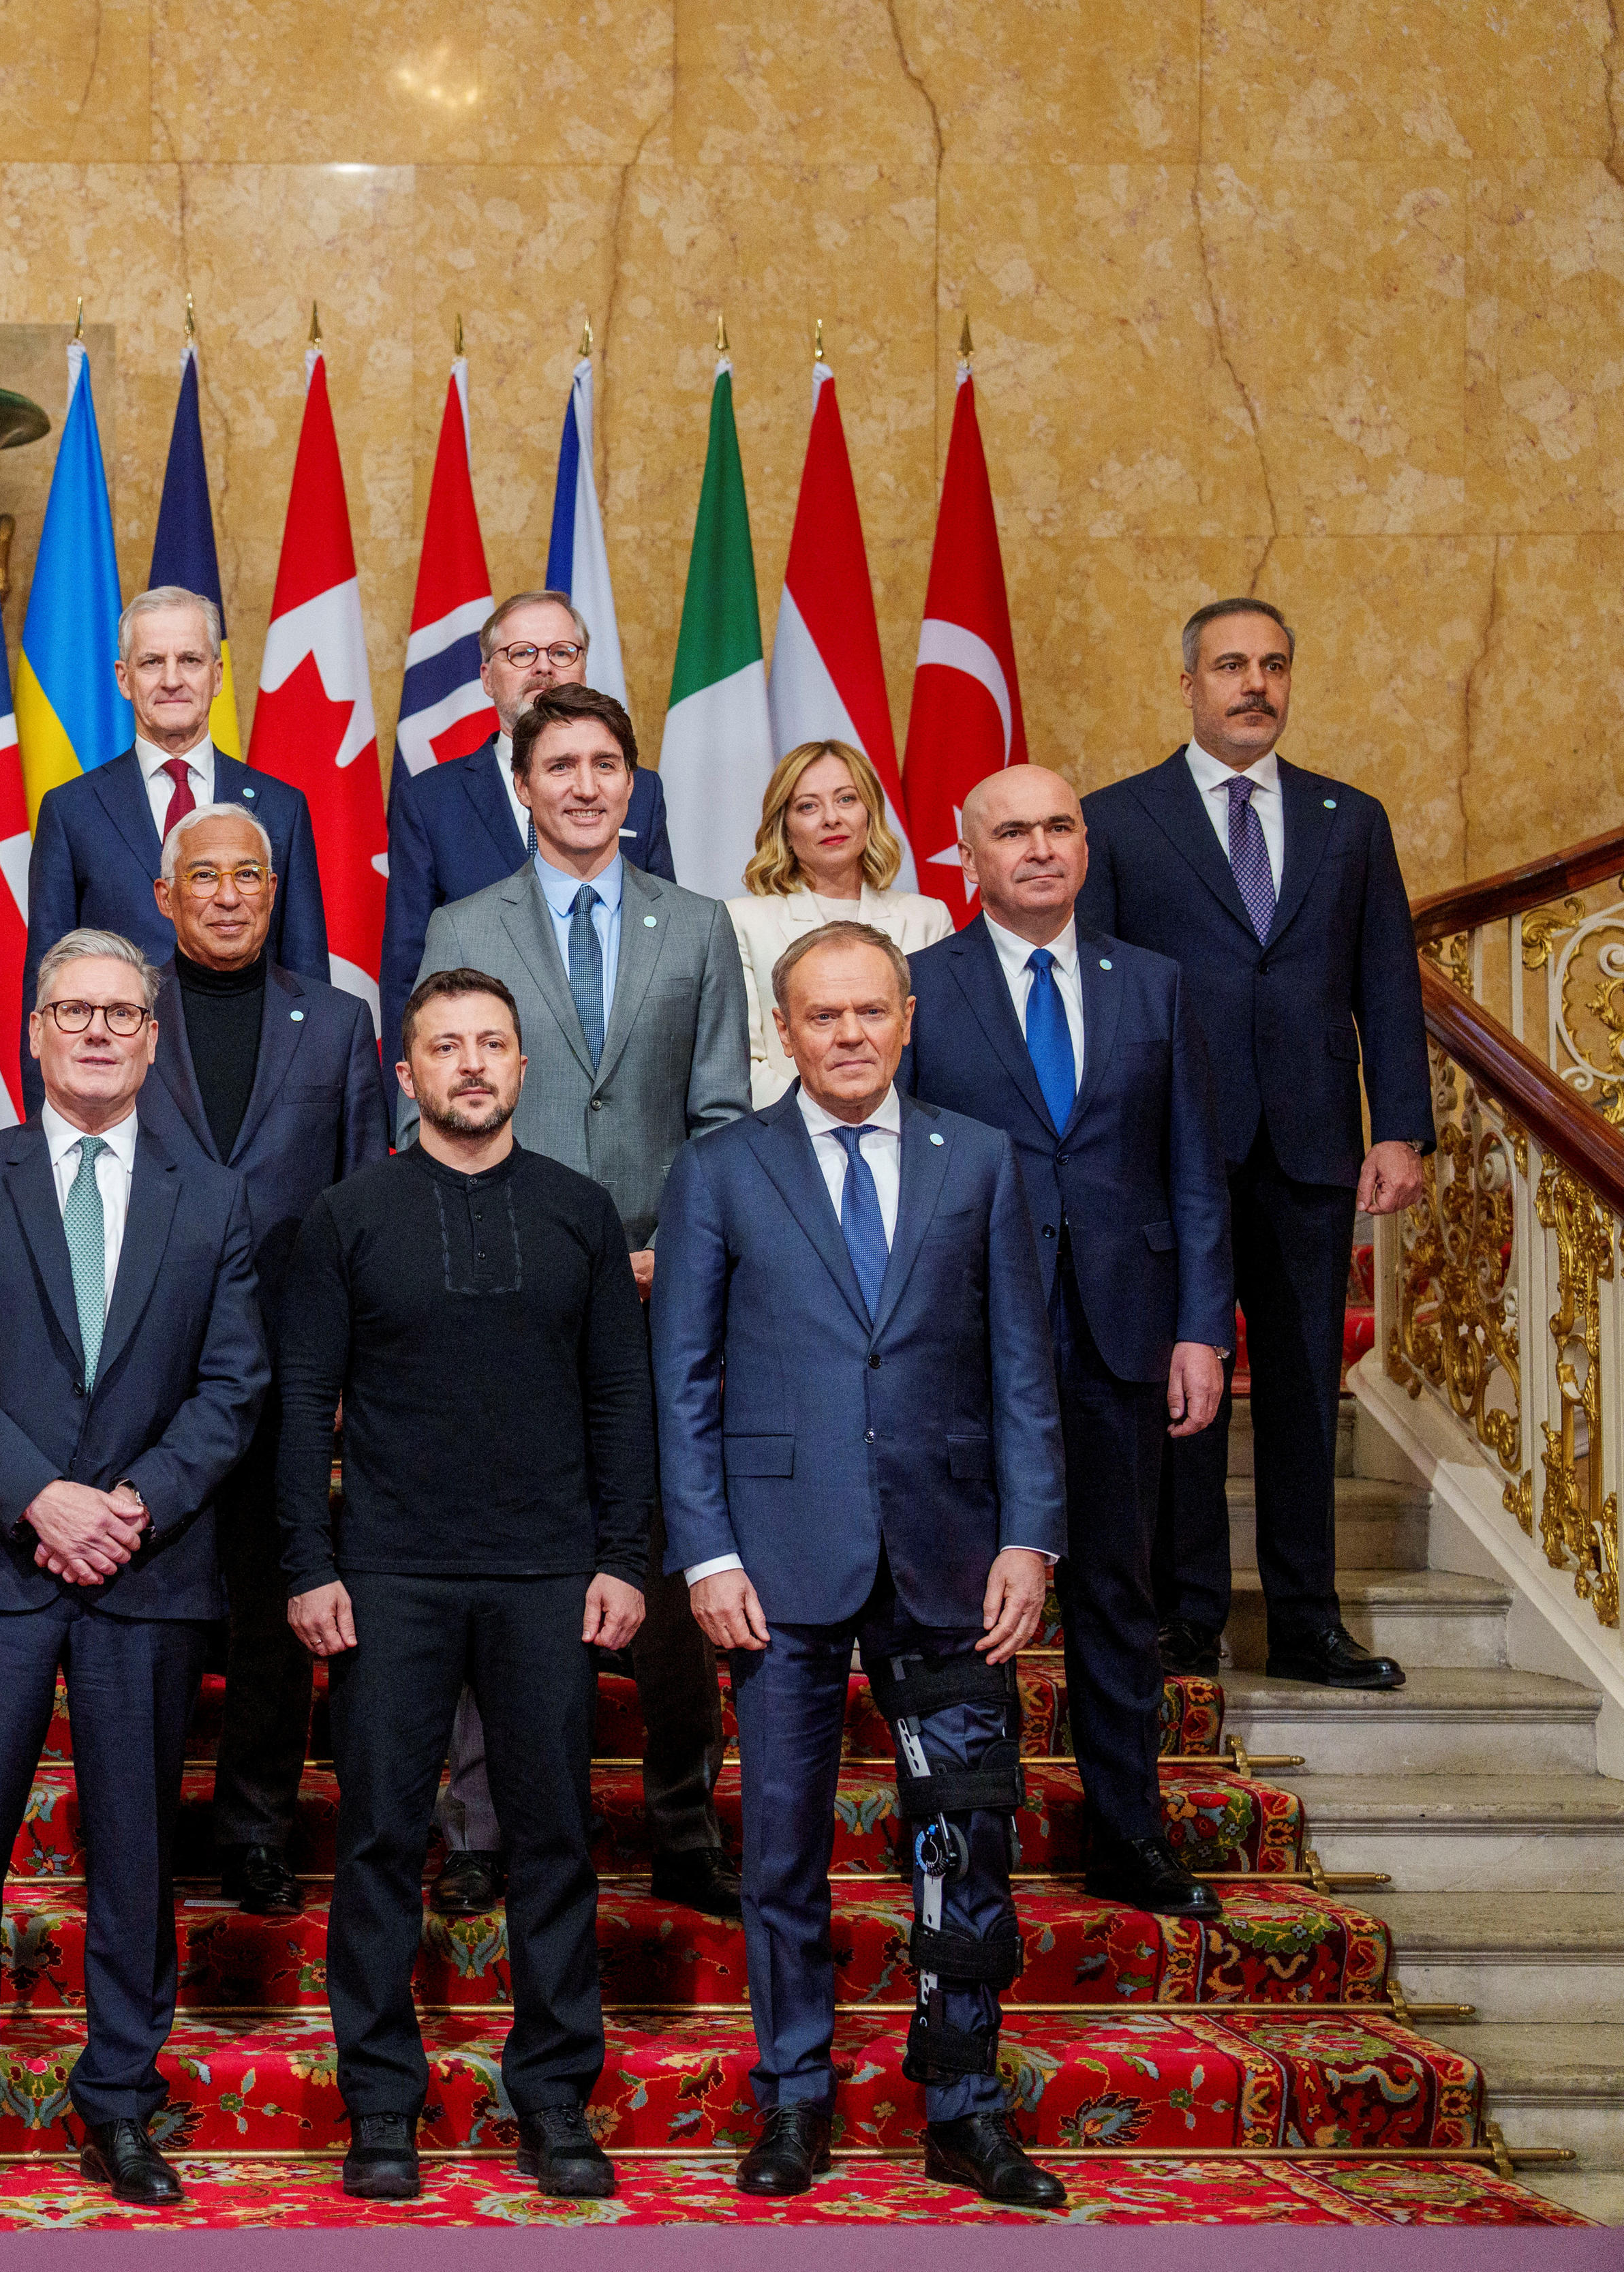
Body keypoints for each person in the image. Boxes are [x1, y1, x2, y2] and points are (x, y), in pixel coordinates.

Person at [654, 920, 1067, 2209]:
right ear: (785, 1030)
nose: (848, 1035)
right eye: (821, 1015)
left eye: (870, 1012)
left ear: (905, 1019)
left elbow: (1019, 1363)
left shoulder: (980, 1159)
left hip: (952, 1559)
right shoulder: (720, 1167)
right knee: (780, 1847)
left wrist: (1030, 1531)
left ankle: (965, 2102)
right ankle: (795, 2096)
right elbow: (685, 1380)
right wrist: (706, 1548)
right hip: (777, 1565)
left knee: (969, 1835)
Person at [0, 928, 269, 2214]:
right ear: (34, 1031)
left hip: (145, 1570)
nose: (99, 1030)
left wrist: (135, 1503)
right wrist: (39, 1495)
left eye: (122, 1012)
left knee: (133, 1856)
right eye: (74, 1010)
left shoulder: (211, 1197)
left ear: (153, 1037)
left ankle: (121, 2099)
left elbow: (235, 1385)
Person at [280, 968, 649, 2204]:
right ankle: (380, 2102)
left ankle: (553, 2095)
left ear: (523, 1065)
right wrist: (309, 1564)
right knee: (382, 1840)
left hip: (551, 1571)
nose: (473, 1064)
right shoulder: (350, 1213)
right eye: (448, 1046)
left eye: (494, 1042)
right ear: (410, 1069)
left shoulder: (583, 1213)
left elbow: (619, 1399)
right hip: (391, 1571)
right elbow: (299, 1405)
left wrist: (623, 1556)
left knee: (552, 1840)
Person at [410, 682, 747, 1924]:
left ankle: (679, 1818)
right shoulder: (465, 917)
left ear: (633, 782)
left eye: (607, 763)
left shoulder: (697, 925)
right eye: (561, 765)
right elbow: (442, 1098)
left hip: (668, 1290)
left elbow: (718, 1116)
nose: (586, 785)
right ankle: (482, 1821)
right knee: (494, 1546)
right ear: (524, 783)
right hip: (504, 1289)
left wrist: (680, 1248)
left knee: (666, 1559)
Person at [1081, 598, 1431, 1691]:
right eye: (1232, 665)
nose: (1255, 685)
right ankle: (1187, 1615)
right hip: (1170, 1149)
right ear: (1187, 682)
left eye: (1273, 665)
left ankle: (1306, 1620)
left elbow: (1386, 979)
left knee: (1299, 1391)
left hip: (1316, 1144)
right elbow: (1101, 994)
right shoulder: (1120, 818)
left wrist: (1403, 1126)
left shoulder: (1349, 818)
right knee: (1183, 1379)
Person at [906, 765, 1234, 1921]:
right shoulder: (917, 990)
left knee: (1114, 1589)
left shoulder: (1154, 984)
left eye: (1058, 828)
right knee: (965, 1597)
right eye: (1012, 831)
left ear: (1084, 848)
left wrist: (1203, 1325)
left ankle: (1128, 1829)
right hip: (967, 1340)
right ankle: (967, 1825)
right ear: (967, 854)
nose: (1039, 847)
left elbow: (1195, 1168)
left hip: (1122, 1332)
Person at [130, 804, 387, 1921]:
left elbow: (357, 1209)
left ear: (275, 894)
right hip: (145, 1372)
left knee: (279, 1618)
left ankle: (252, 1831)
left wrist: (340, 1372)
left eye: (249, 876)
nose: (228, 893)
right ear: (165, 895)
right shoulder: (116, 1008)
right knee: (149, 1611)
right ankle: (138, 1828)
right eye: (205, 876)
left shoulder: (336, 1022)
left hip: (284, 1372)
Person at [380, 590, 677, 1050]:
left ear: (582, 667)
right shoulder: (428, 801)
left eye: (562, 652)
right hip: (485, 1072)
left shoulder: (638, 789)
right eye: (522, 653)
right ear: (486, 676)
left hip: (622, 1064)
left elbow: (666, 940)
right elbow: (407, 974)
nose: (544, 667)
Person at [25, 590, 328, 1000]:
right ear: (124, 678)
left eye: (190, 660)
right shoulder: (70, 811)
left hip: (248, 1054)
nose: (172, 680)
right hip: (119, 1053)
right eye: (152, 662)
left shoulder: (280, 808)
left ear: (217, 675)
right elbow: (46, 978)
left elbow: (306, 982)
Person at [723, 739, 952, 1106]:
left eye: (846, 799)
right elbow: (738, 1062)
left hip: (906, 1138)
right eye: (808, 806)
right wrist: (824, 1120)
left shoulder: (928, 919)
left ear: (870, 813)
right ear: (784, 826)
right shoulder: (740, 921)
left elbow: (942, 1056)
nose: (831, 818)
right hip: (789, 1138)